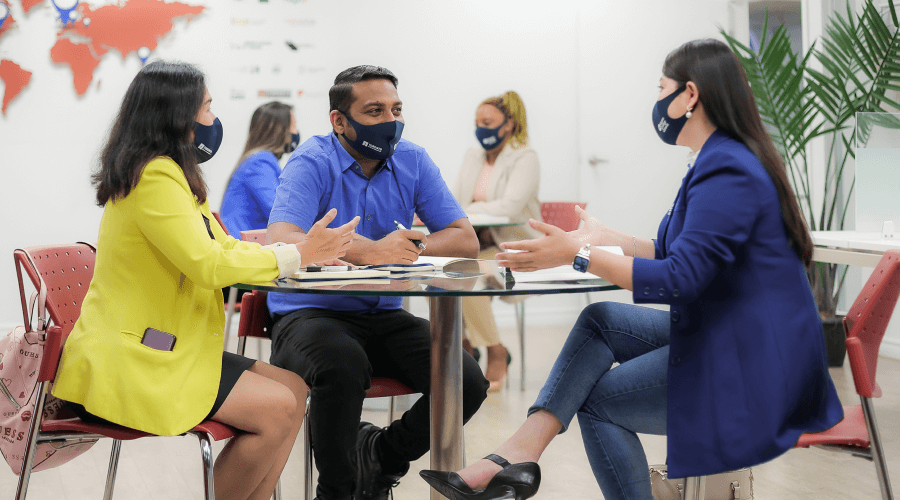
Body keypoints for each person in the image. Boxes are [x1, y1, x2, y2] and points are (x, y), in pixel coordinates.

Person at [420, 39, 844, 500]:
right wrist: (603, 240)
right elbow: (669, 250)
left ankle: (516, 457)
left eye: (662, 88)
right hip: (732, 334)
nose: (658, 101)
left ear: (690, 95)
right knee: (600, 320)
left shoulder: (728, 170)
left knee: (600, 404)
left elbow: (680, 278)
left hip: (752, 362)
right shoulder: (718, 159)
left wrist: (576, 255)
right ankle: (520, 452)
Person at [51, 60, 359, 500]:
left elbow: (223, 246)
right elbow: (207, 265)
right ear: (178, 116)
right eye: (208, 107)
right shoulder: (153, 176)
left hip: (162, 345)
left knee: (294, 388)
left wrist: (297, 257)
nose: (214, 119)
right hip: (134, 358)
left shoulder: (168, 173)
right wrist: (296, 254)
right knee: (277, 410)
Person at [266, 65, 489, 500]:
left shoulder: (413, 159)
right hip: (309, 313)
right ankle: (338, 491)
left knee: (466, 380)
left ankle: (382, 456)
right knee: (342, 364)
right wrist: (368, 251)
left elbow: (465, 239)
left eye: (396, 109)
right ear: (339, 121)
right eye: (374, 111)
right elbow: (282, 237)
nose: (390, 121)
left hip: (384, 313)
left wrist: (411, 248)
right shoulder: (312, 160)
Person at [451, 91, 542, 391]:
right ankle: (465, 346)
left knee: (466, 273)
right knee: (439, 274)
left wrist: (468, 210)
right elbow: (454, 202)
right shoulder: (472, 155)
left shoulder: (524, 157)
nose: (481, 128)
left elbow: (509, 208)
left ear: (509, 124)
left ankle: (495, 349)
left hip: (514, 248)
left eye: (488, 122)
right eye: (477, 122)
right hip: (478, 245)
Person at [220, 101, 300, 236]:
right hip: (242, 246)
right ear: (279, 130)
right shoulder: (260, 161)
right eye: (293, 126)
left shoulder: (257, 160)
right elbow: (279, 212)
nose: (296, 132)